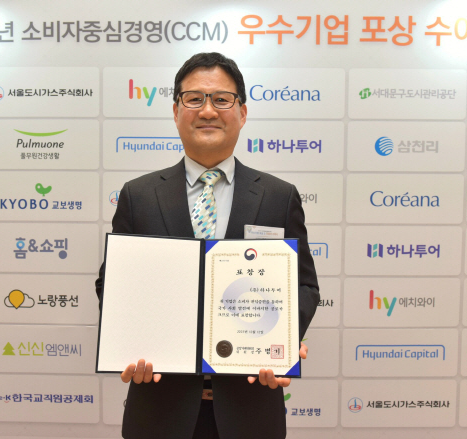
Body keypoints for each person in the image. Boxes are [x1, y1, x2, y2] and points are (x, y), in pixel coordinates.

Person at [95, 52, 319, 439]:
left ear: (242, 113)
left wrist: (281, 341)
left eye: (221, 99)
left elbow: (304, 286)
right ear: (176, 111)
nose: (208, 110)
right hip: (159, 407)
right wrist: (130, 341)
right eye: (194, 98)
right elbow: (112, 284)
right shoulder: (139, 195)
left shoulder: (279, 196)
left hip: (251, 406)